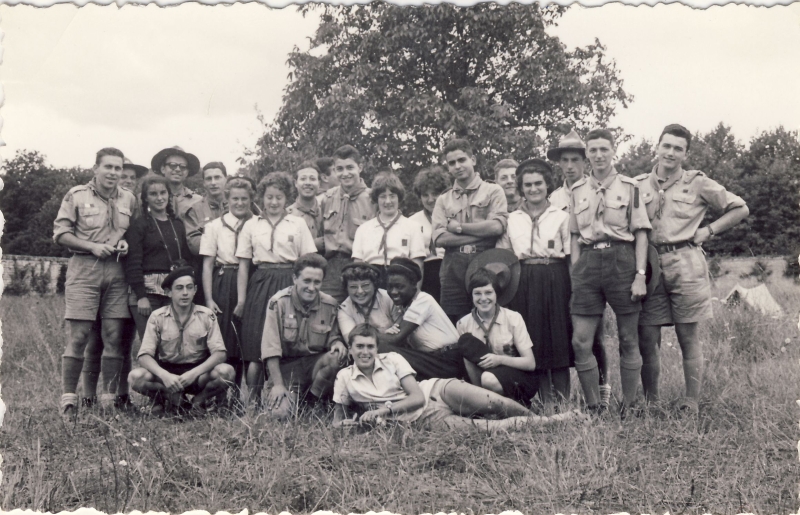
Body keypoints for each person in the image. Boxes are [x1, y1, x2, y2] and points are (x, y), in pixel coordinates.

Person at [635, 124, 749, 414]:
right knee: (647, 338)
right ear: (657, 147)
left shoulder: (698, 182)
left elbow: (740, 208)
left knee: (688, 337)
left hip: (685, 263)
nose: (671, 153)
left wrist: (709, 231)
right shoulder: (637, 185)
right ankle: (651, 402)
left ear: (685, 154)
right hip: (649, 265)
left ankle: (691, 402)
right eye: (667, 146)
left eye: (678, 148)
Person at [332, 324, 585, 430]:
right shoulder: (344, 377)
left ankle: (544, 420)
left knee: (495, 403)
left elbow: (417, 397)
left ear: (377, 348)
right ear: (351, 348)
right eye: (360, 347)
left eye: (370, 347)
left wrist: (380, 412)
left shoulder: (393, 360)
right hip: (422, 419)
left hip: (435, 390)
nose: (365, 352)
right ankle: (554, 423)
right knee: (490, 428)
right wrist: (353, 424)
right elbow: (338, 422)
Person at [569, 128, 652, 417]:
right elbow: (574, 236)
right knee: (581, 340)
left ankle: (629, 405)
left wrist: (640, 274)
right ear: (587, 154)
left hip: (622, 259)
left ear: (613, 150)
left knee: (628, 338)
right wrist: (576, 272)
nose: (598, 155)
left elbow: (641, 233)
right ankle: (594, 407)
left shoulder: (631, 187)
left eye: (604, 149)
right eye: (593, 150)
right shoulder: (577, 190)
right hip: (588, 263)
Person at [54, 147, 137, 419]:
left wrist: (126, 243)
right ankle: (68, 400)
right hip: (84, 271)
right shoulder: (76, 195)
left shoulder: (129, 198)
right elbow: (61, 234)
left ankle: (109, 400)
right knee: (79, 337)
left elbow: (132, 233)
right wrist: (91, 246)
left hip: (116, 272)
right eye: (108, 167)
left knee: (114, 336)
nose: (113, 173)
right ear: (96, 168)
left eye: (117, 168)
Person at [236, 172, 317, 407]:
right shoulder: (251, 224)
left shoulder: (298, 223)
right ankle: (252, 402)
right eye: (269, 197)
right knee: (255, 343)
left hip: (289, 280)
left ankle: (289, 397)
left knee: (288, 339)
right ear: (261, 197)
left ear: (287, 198)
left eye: (279, 197)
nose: (273, 202)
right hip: (260, 282)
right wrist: (242, 300)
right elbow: (243, 265)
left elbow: (308, 260)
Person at [497, 159, 575, 405]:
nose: (533, 189)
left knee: (558, 341)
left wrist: (574, 290)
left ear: (547, 184)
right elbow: (505, 257)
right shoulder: (511, 219)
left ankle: (564, 403)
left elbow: (571, 256)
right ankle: (547, 403)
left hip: (555, 278)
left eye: (538, 183)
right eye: (527, 185)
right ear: (521, 187)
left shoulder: (562, 217)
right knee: (534, 342)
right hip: (524, 281)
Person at [547, 131, 613, 408]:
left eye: (576, 159)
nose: (571, 165)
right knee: (568, 331)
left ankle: (603, 387)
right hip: (562, 268)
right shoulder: (553, 197)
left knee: (593, 332)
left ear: (585, 161)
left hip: (591, 264)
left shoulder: (596, 188)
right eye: (566, 160)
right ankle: (565, 393)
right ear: (559, 164)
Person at [81, 159, 145, 411]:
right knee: (93, 340)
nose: (126, 180)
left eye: (131, 177)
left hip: (124, 278)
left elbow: (135, 235)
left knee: (121, 340)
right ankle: (88, 395)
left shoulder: (134, 203)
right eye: (123, 175)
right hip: (97, 273)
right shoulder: (101, 199)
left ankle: (120, 395)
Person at [128, 266, 235, 415]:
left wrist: (193, 374)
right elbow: (144, 356)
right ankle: (172, 397)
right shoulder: (157, 316)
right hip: (167, 374)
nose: (185, 293)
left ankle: (198, 401)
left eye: (189, 288)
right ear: (169, 292)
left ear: (195, 290)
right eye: (179, 288)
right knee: (135, 377)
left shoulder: (206, 315)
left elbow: (220, 354)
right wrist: (165, 376)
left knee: (227, 372)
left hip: (198, 374)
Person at [261, 253, 347, 419]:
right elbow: (270, 348)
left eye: (317, 282)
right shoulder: (278, 303)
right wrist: (278, 385)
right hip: (286, 369)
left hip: (314, 365)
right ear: (295, 278)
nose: (312, 287)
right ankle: (293, 399)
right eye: (307, 281)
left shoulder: (330, 304)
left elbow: (333, 336)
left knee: (336, 357)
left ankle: (313, 401)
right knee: (279, 414)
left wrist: (337, 342)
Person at [432, 138, 508, 324]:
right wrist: (481, 234)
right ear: (448, 167)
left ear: (473, 160)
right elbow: (440, 238)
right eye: (452, 163)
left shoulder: (493, 191)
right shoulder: (444, 199)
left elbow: (497, 227)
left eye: (462, 160)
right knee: (454, 322)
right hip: (453, 267)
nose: (457, 166)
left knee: (488, 318)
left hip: (485, 261)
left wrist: (458, 228)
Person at [199, 177, 256, 406]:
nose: (240, 203)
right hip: (224, 280)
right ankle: (220, 395)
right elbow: (207, 265)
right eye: (235, 198)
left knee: (244, 339)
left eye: (244, 199)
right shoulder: (215, 226)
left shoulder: (257, 223)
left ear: (251, 199)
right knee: (224, 337)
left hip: (251, 279)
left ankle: (239, 397)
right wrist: (209, 298)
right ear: (227, 198)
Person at [456, 265, 538, 406]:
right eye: (477, 293)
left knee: (489, 379)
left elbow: (530, 363)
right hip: (481, 380)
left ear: (496, 294)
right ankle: (482, 404)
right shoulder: (463, 323)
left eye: (488, 292)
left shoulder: (513, 318)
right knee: (466, 342)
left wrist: (499, 360)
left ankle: (516, 404)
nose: (483, 298)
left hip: (516, 376)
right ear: (471, 295)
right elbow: (467, 362)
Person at [125, 175, 192, 339]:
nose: (159, 198)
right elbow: (133, 263)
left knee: (172, 341)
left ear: (169, 195)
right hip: (147, 295)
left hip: (172, 292)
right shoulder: (139, 225)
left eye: (163, 193)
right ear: (146, 198)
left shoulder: (177, 224)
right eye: (153, 194)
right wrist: (141, 297)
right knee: (151, 343)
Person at [378, 257, 465, 380]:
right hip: (432, 360)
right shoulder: (404, 307)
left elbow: (396, 338)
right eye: (390, 287)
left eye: (399, 287)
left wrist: (369, 332)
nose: (393, 292)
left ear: (414, 284)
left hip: (448, 360)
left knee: (383, 348)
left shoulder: (423, 300)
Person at [320, 145, 376, 302]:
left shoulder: (373, 199)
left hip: (362, 265)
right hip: (332, 266)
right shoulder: (327, 198)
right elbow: (320, 234)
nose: (345, 173)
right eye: (340, 169)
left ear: (361, 167)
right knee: (327, 308)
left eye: (350, 167)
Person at [352, 172, 426, 286]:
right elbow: (357, 264)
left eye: (392, 196)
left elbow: (418, 265)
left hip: (401, 281)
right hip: (371, 282)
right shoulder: (363, 229)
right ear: (376, 199)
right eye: (382, 196)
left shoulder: (413, 227)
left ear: (399, 198)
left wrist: (414, 296)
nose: (388, 201)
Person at [409, 165, 449, 301]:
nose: (430, 199)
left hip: (449, 270)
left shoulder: (453, 217)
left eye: (435, 194)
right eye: (425, 195)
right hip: (425, 274)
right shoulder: (413, 221)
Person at [185, 162, 229, 256]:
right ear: (204, 183)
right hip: (209, 266)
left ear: (226, 179)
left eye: (217, 177)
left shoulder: (239, 204)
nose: (213, 183)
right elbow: (195, 246)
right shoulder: (194, 210)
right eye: (209, 179)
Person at [151, 145, 203, 223]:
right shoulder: (149, 198)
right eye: (172, 165)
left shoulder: (198, 201)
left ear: (187, 172)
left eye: (183, 167)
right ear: (163, 169)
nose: (178, 169)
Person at [286, 161, 325, 252]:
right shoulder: (288, 215)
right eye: (303, 179)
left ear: (319, 183)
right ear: (296, 183)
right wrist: (313, 244)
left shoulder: (326, 210)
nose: (308, 183)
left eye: (312, 179)